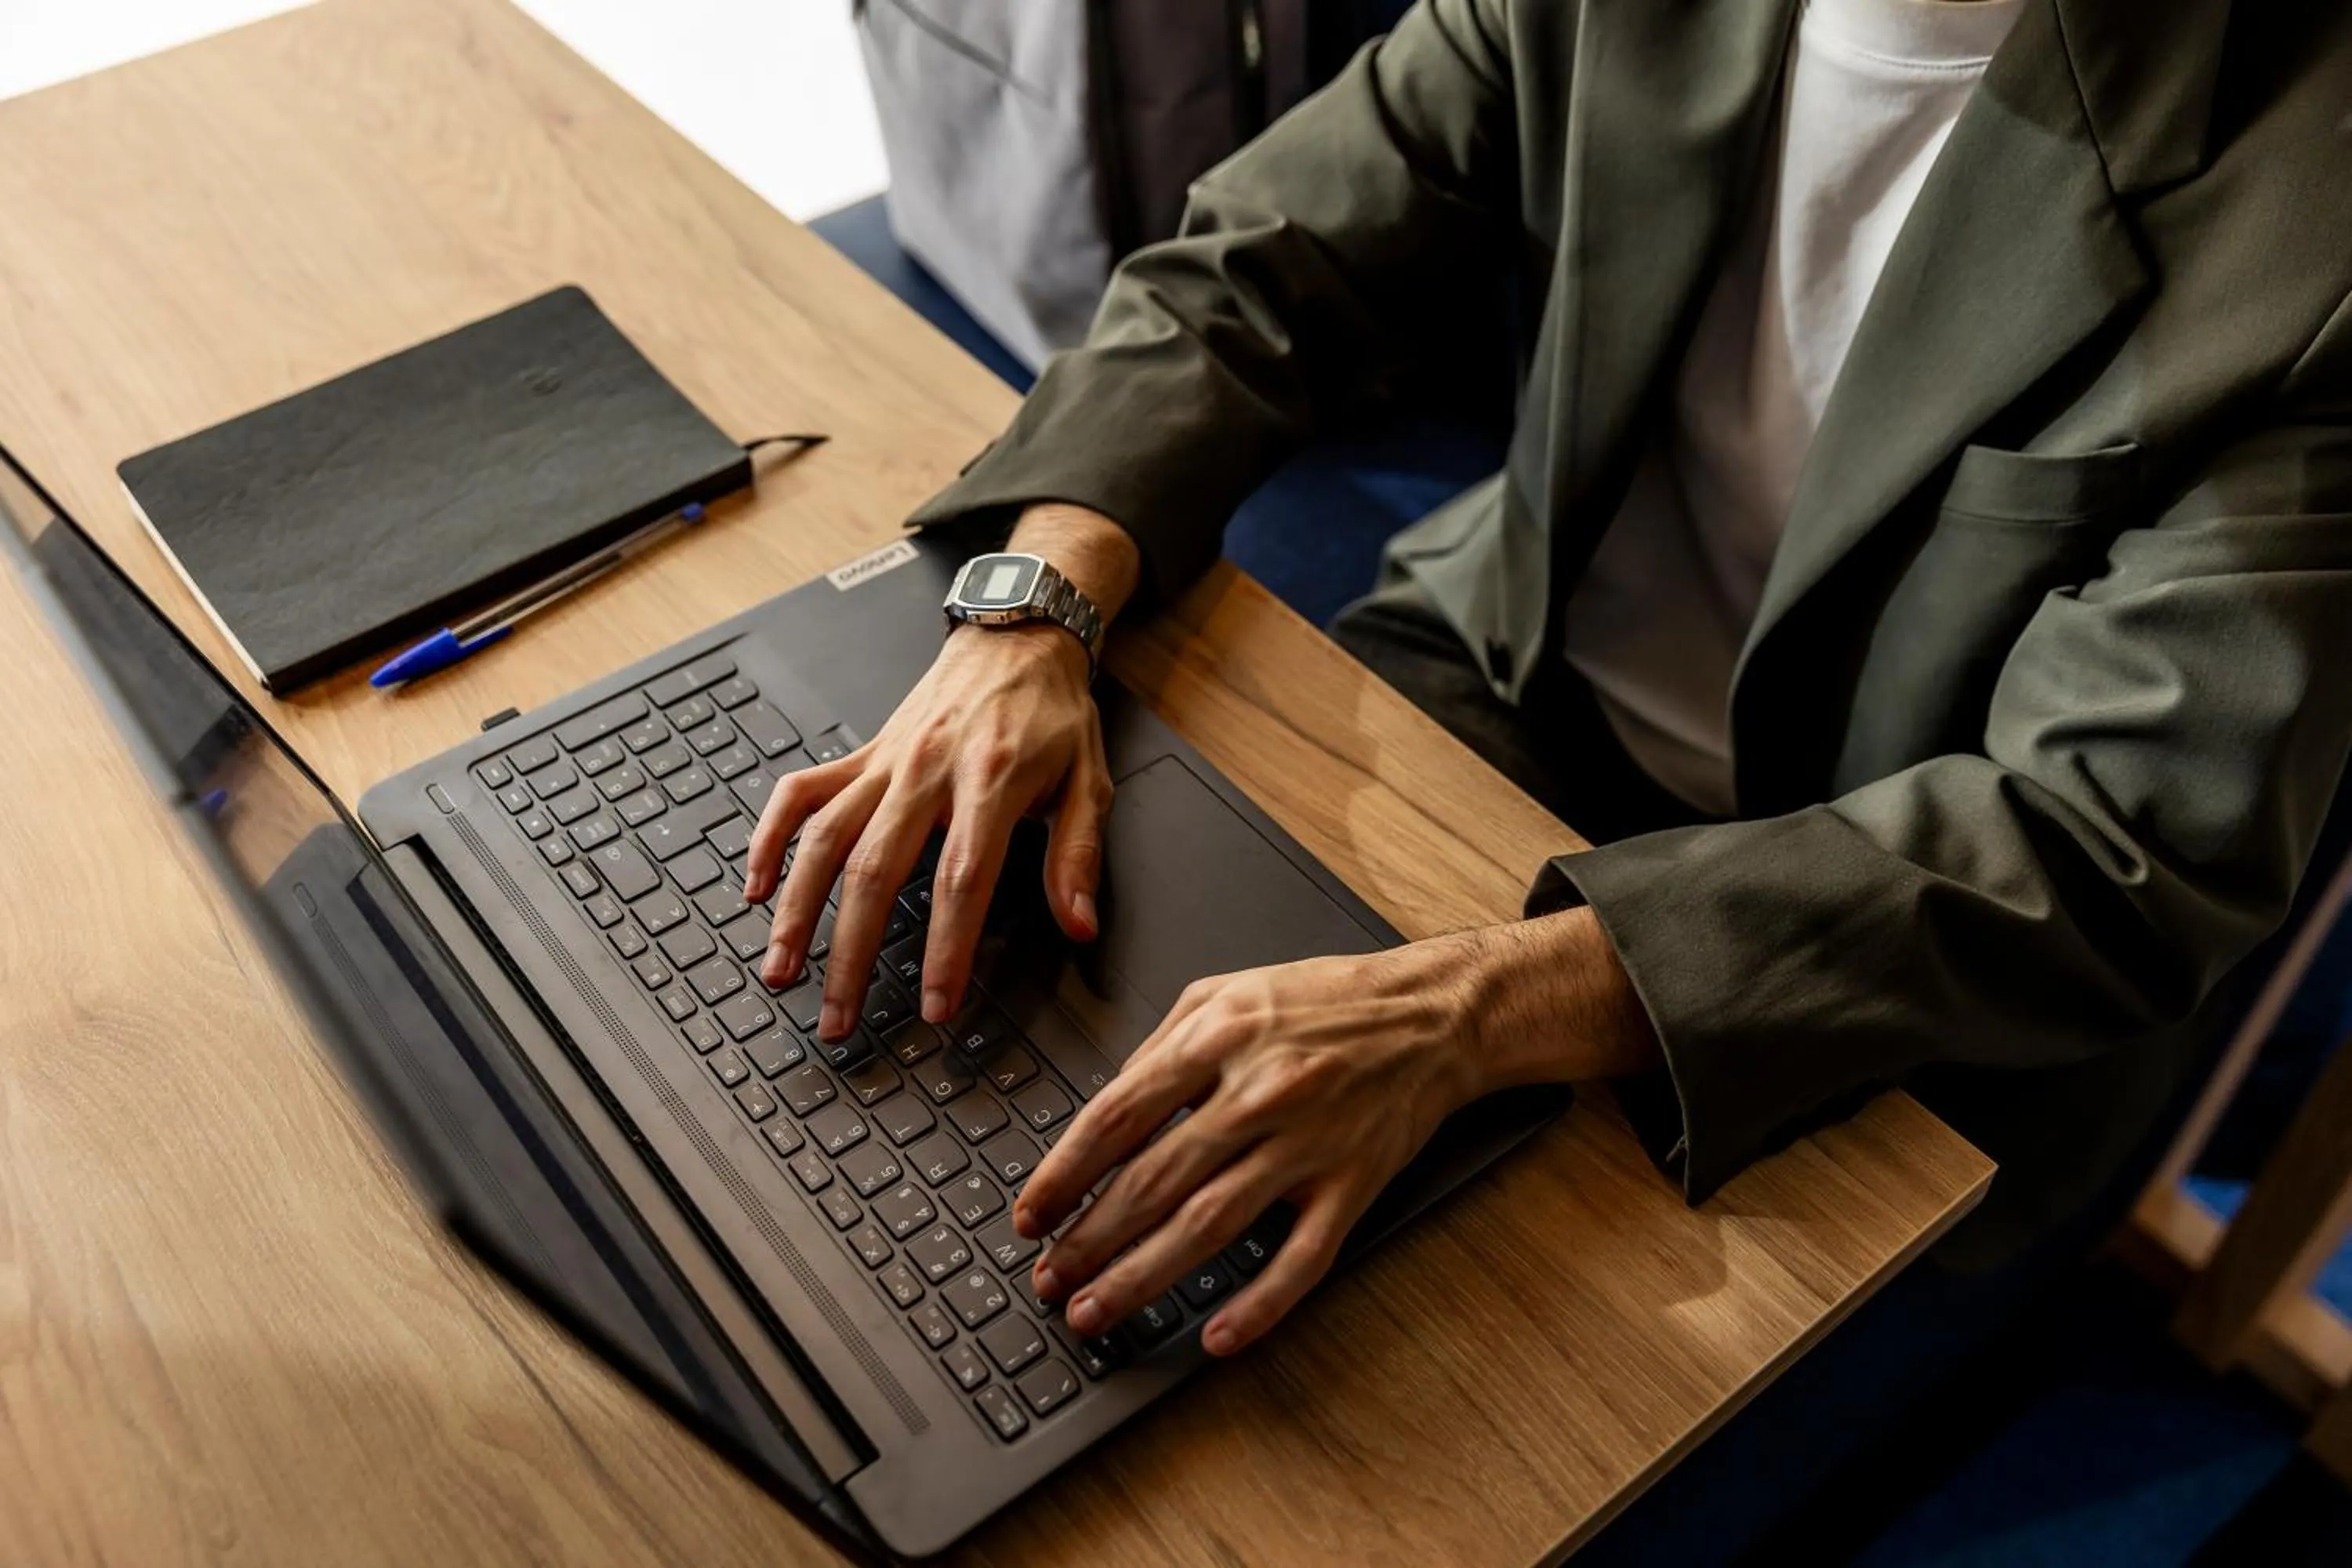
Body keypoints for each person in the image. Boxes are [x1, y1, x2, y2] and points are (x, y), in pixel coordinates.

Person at [747, 0, 2349, 1423]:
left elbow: (2105, 839)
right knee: (992, 1146)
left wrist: (1468, 1009)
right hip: (1510, 672)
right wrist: (1040, 606)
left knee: (1390, 1413)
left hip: (1892, 964)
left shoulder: (2310, 219)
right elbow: (1270, 256)